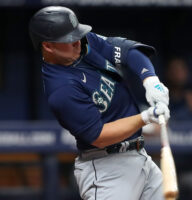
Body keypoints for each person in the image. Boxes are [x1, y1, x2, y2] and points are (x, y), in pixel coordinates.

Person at [29, 6, 170, 200]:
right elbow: (99, 136)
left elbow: (128, 51)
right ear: (48, 46)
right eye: (69, 40)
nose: (77, 41)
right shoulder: (61, 90)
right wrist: (145, 117)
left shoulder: (84, 43)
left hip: (140, 156)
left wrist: (150, 80)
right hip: (107, 170)